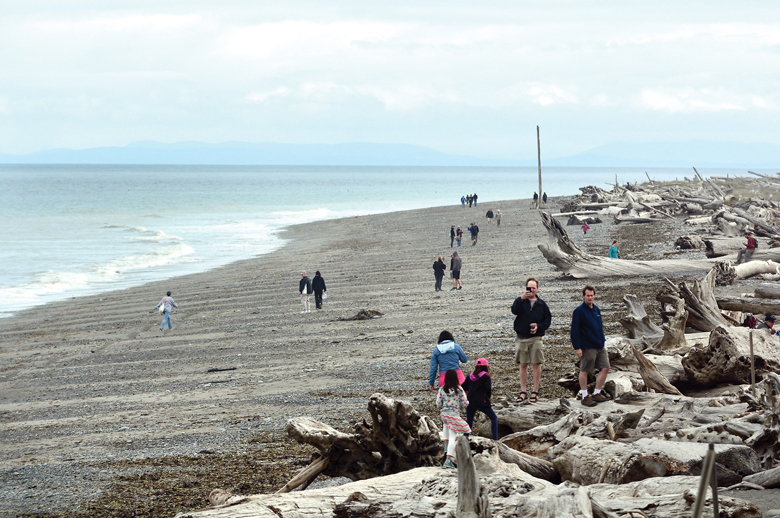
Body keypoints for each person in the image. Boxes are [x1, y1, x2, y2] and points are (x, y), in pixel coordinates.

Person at [511, 278, 552, 403]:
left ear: (537, 289)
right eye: (529, 288)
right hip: (521, 337)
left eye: (534, 288)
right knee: (523, 364)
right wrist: (521, 298)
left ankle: (535, 391)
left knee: (536, 363)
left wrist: (538, 326)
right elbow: (514, 310)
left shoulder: (542, 305)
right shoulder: (521, 301)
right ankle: (523, 391)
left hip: (536, 338)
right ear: (526, 288)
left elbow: (547, 320)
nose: (531, 290)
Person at [571, 285, 610, 407]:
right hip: (587, 346)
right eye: (587, 295)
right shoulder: (579, 311)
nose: (590, 298)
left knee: (605, 367)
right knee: (585, 370)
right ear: (583, 296)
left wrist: (602, 339)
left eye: (592, 295)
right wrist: (577, 347)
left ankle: (597, 393)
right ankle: (584, 396)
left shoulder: (596, 309)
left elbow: (599, 326)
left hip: (599, 345)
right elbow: (574, 330)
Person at [436, 369, 470, 468]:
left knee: (445, 426)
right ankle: (448, 460)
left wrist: (443, 408)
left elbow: (438, 403)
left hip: (444, 414)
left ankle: (445, 446)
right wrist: (461, 407)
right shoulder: (459, 390)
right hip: (454, 414)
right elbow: (465, 402)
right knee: (453, 437)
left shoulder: (442, 389)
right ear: (456, 378)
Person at [462, 358, 498, 440]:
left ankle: (465, 438)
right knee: (494, 418)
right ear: (486, 367)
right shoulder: (486, 377)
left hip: (470, 401)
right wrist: (487, 399)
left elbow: (463, 387)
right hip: (482, 401)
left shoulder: (470, 376)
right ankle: (495, 439)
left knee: (469, 421)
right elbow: (488, 389)